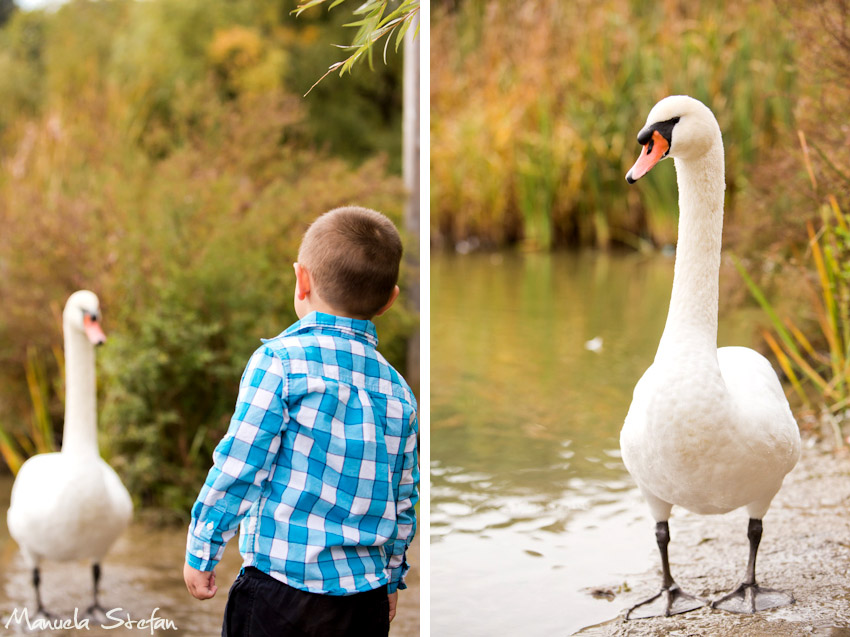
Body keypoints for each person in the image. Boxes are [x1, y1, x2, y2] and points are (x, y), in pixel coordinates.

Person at [183, 206, 419, 636]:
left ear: (301, 279)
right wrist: (391, 580)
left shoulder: (280, 363)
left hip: (279, 590)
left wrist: (203, 547)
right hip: (362, 602)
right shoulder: (399, 392)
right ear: (389, 300)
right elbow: (404, 499)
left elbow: (240, 465)